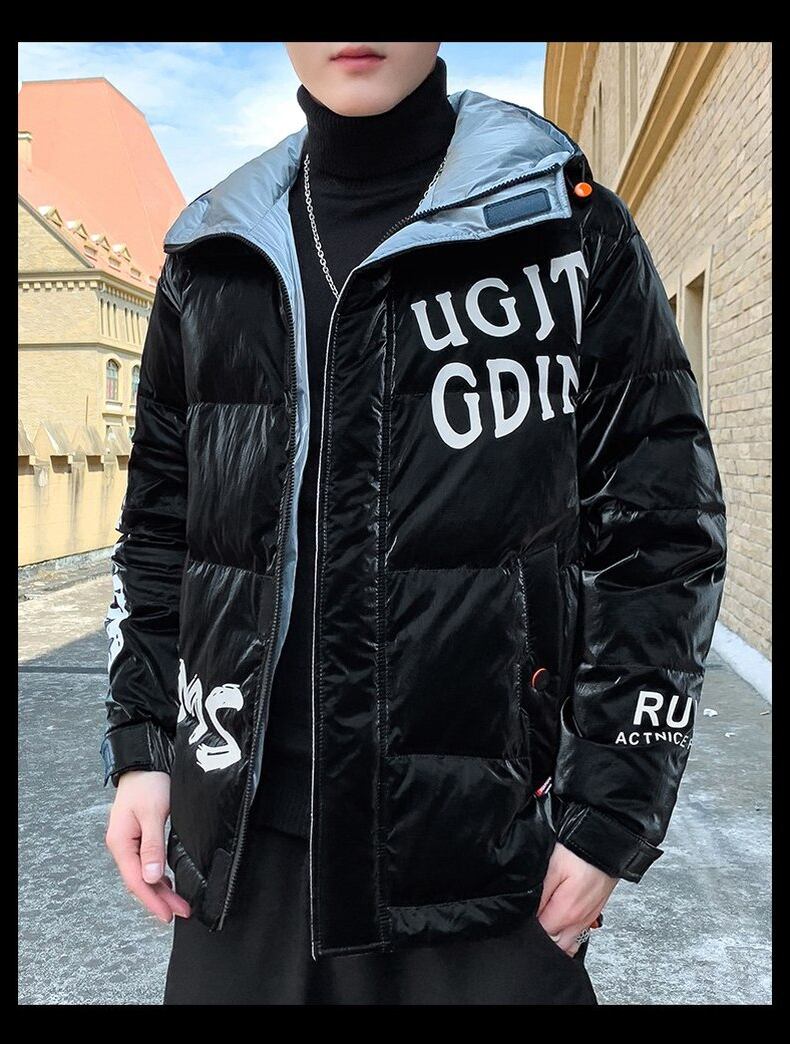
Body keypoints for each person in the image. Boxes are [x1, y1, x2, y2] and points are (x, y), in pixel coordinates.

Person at [101, 42, 726, 1006]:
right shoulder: (213, 256)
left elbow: (662, 534)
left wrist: (610, 812)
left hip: (485, 873)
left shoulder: (566, 229)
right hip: (246, 863)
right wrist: (143, 747)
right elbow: (159, 531)